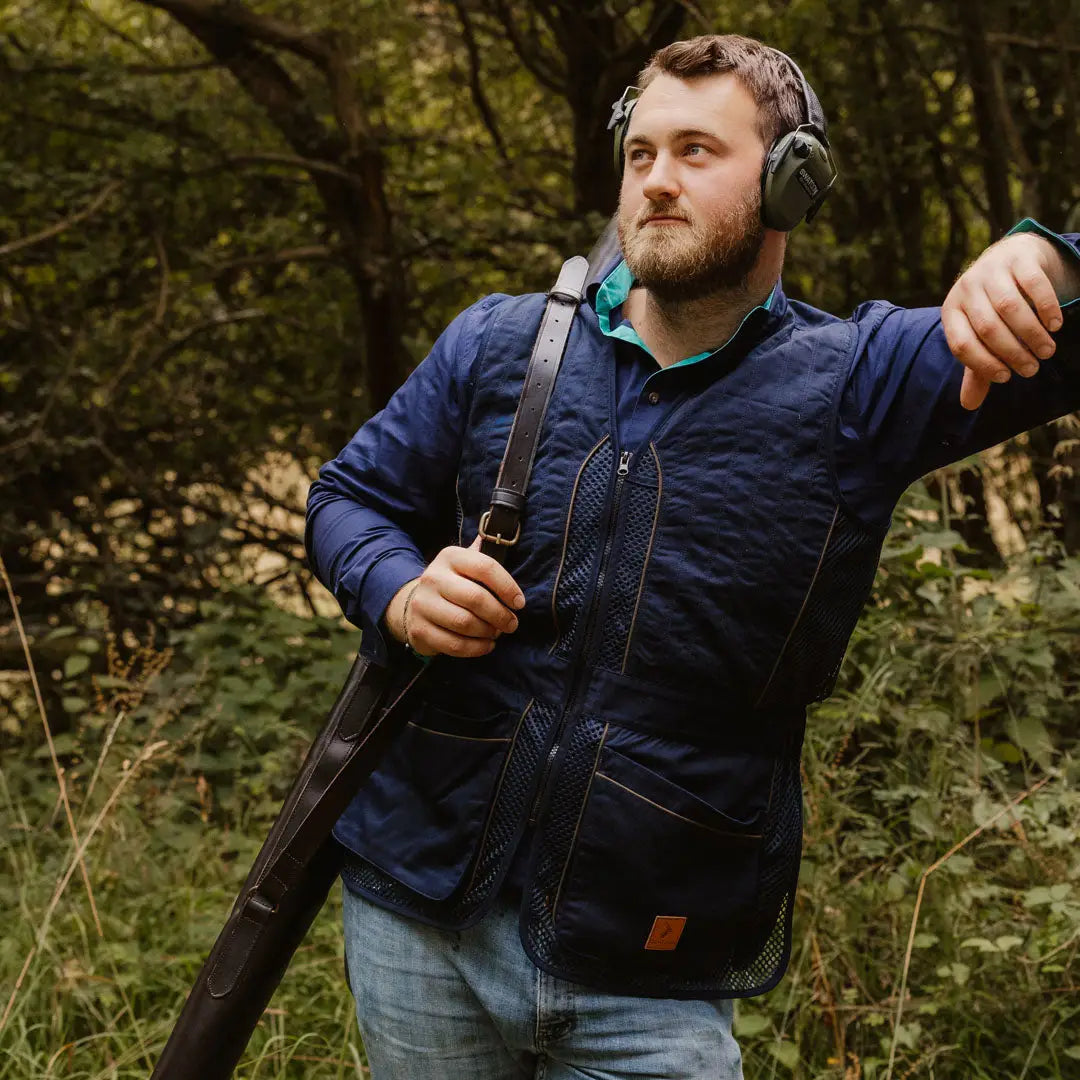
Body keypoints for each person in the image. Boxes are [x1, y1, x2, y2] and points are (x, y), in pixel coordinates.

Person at [305, 33, 1080, 1080]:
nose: (658, 180)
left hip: (652, 962)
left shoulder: (861, 385)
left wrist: (1052, 256)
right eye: (642, 154)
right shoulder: (500, 342)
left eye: (699, 152)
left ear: (792, 180)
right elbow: (348, 499)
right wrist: (399, 593)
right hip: (418, 920)